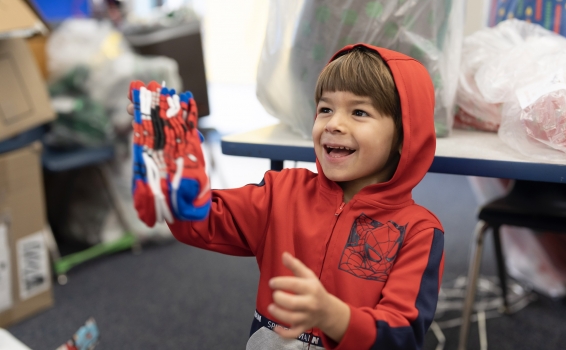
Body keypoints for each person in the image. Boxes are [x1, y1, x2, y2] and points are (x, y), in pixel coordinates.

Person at [130, 43, 444, 349]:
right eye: (325, 109)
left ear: (405, 135)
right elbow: (201, 221)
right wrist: (174, 168)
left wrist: (335, 317)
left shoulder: (419, 232)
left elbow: (403, 335)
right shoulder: (282, 193)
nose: (334, 124)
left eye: (359, 112)